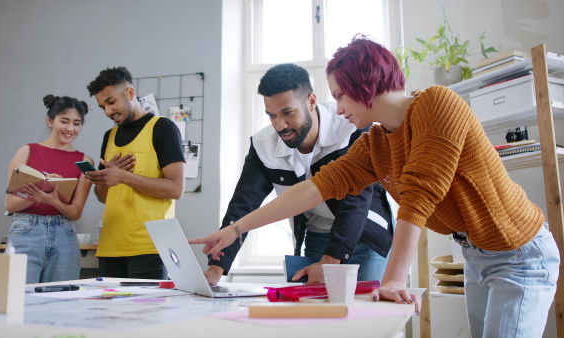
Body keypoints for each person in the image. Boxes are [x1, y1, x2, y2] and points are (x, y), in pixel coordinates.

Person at [190, 35, 560, 337]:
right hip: (477, 256)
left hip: (519, 253)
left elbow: (419, 195)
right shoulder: (376, 143)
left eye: (339, 94)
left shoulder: (437, 104)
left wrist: (394, 279)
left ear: (362, 85)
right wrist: (236, 229)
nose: (337, 108)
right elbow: (316, 188)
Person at [203, 63, 394, 286]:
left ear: (311, 101)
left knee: (364, 312)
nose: (279, 125)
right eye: (271, 115)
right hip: (318, 235)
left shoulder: (352, 126)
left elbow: (357, 200)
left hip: (364, 233)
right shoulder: (264, 145)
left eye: (287, 113)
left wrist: (331, 260)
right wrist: (215, 270)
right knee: (317, 313)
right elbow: (243, 205)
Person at [85, 66, 185, 280]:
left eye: (111, 102)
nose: (108, 112)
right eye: (102, 106)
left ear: (130, 93)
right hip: (110, 248)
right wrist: (101, 181)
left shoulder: (162, 128)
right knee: (109, 314)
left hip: (150, 247)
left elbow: (176, 189)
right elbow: (103, 197)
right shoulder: (109, 136)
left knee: (146, 313)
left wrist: (123, 177)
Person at [5, 95, 94, 283]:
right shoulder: (26, 151)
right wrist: (40, 193)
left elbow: (76, 212)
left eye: (77, 123)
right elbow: (10, 205)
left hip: (64, 234)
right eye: (64, 121)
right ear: (50, 120)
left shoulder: (85, 162)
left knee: (61, 303)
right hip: (25, 232)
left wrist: (53, 200)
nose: (70, 128)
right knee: (18, 299)